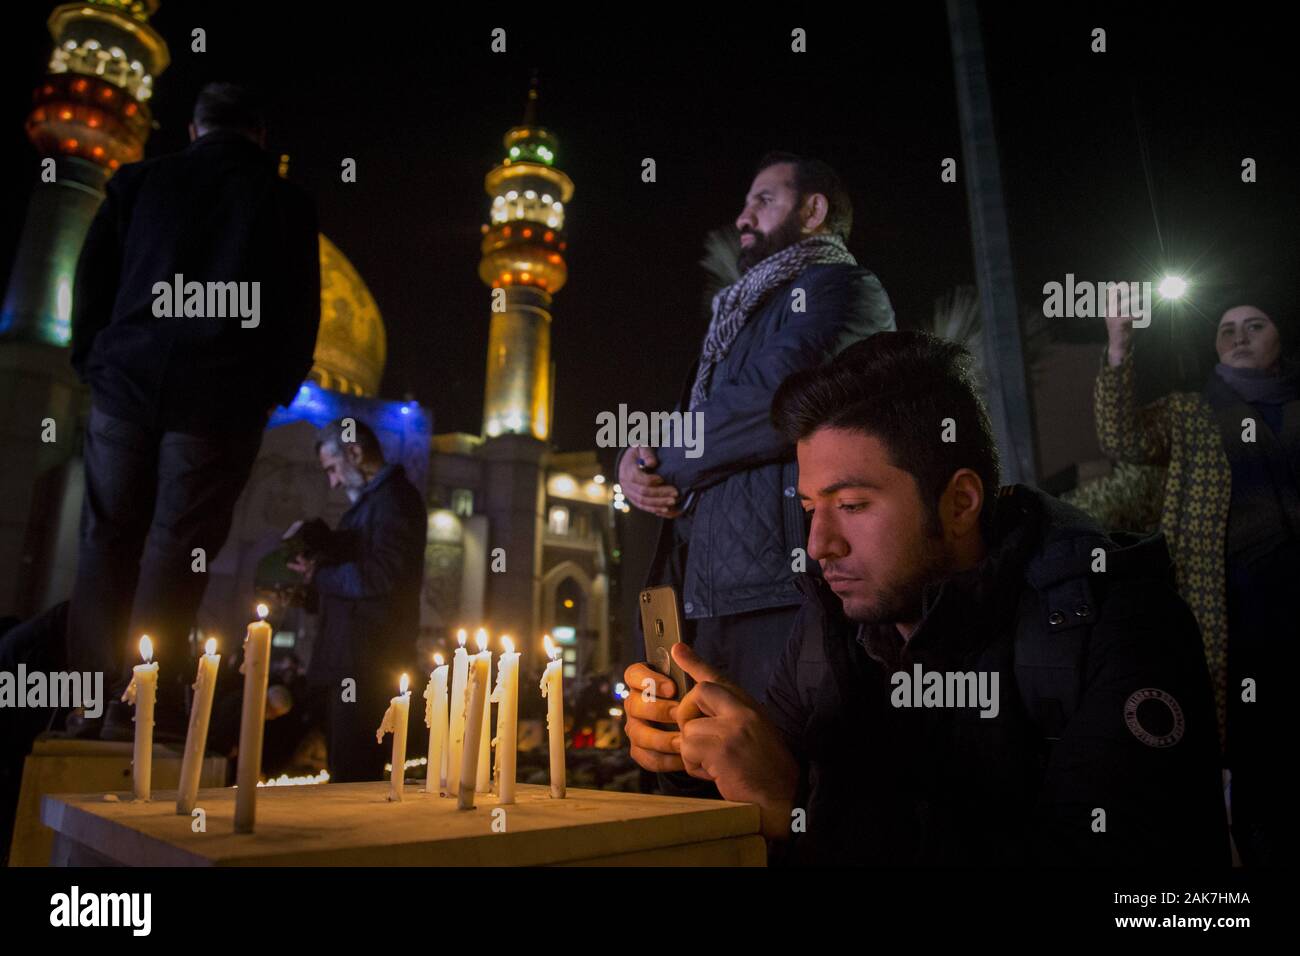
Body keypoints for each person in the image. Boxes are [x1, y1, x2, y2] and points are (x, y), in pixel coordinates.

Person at [624, 331, 1228, 865]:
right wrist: (693, 760)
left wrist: (800, 809)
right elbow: (758, 814)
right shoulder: (828, 628)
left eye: (852, 506)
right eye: (809, 509)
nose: (819, 545)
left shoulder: (1114, 623)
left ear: (960, 502)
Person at [67, 81, 320, 737]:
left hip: (126, 382)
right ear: (260, 136)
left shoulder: (136, 181)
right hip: (219, 400)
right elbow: (298, 314)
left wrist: (92, 360)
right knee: (178, 548)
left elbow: (91, 277)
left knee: (106, 537)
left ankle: (86, 699)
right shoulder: (285, 202)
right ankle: (138, 704)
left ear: (194, 128)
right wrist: (271, 393)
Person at [618, 151, 894, 719]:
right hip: (702, 597)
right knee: (698, 791)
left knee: (780, 782)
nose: (744, 217)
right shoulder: (735, 322)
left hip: (780, 596)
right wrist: (631, 465)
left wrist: (661, 461)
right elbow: (692, 419)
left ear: (814, 210)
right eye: (745, 204)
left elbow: (777, 398)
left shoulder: (843, 290)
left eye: (764, 201)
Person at [1095, 281, 1296, 866]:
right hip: (1234, 605)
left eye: (1254, 324)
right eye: (1226, 329)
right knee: (1254, 749)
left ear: (1279, 335)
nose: (1238, 336)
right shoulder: (1191, 411)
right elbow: (1122, 436)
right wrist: (1117, 347)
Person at [289, 417, 425, 782]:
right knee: (343, 771)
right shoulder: (372, 504)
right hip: (350, 658)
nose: (332, 481)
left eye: (333, 468)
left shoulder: (396, 501)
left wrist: (320, 575)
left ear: (354, 452)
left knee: (353, 777)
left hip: (366, 662)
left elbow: (381, 576)